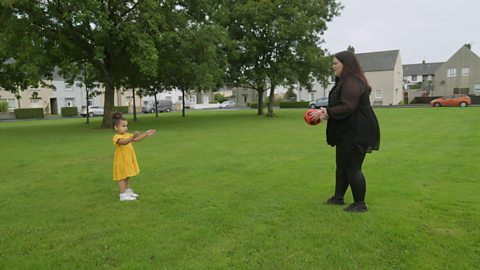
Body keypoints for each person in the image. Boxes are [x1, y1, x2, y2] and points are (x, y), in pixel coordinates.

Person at [310, 50, 380, 212]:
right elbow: (341, 104)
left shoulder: (353, 82)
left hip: (357, 130)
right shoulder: (344, 81)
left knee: (352, 167)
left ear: (346, 65)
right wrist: (325, 111)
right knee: (341, 166)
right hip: (346, 128)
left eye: (335, 63)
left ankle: (360, 204)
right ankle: (338, 198)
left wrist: (327, 113)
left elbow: (349, 106)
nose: (333, 66)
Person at [111, 112, 156, 201]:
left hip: (128, 159)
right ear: (116, 127)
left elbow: (137, 139)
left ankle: (128, 191)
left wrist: (146, 134)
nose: (125, 128)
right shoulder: (116, 137)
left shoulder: (127, 134)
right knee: (121, 177)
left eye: (126, 126)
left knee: (127, 175)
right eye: (123, 126)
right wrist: (132, 137)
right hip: (121, 160)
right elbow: (123, 142)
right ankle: (123, 195)